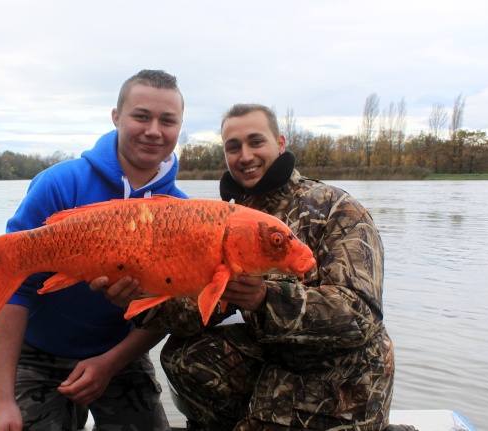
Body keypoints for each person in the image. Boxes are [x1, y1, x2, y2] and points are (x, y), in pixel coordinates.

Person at [94, 103, 404, 430]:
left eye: (256, 142)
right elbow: (197, 314)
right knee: (183, 357)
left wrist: (265, 298)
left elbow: (361, 317)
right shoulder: (233, 217)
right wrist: (137, 297)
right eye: (233, 147)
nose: (245, 156)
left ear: (280, 143)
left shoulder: (337, 209)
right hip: (274, 357)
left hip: (343, 370)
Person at [0, 69, 186, 431]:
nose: (154, 130)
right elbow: (15, 289)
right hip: (38, 355)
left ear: (179, 126)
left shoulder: (183, 212)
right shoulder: (61, 183)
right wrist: (4, 402)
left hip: (120, 354)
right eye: (141, 116)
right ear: (116, 117)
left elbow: (170, 311)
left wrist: (110, 363)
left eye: (167, 120)